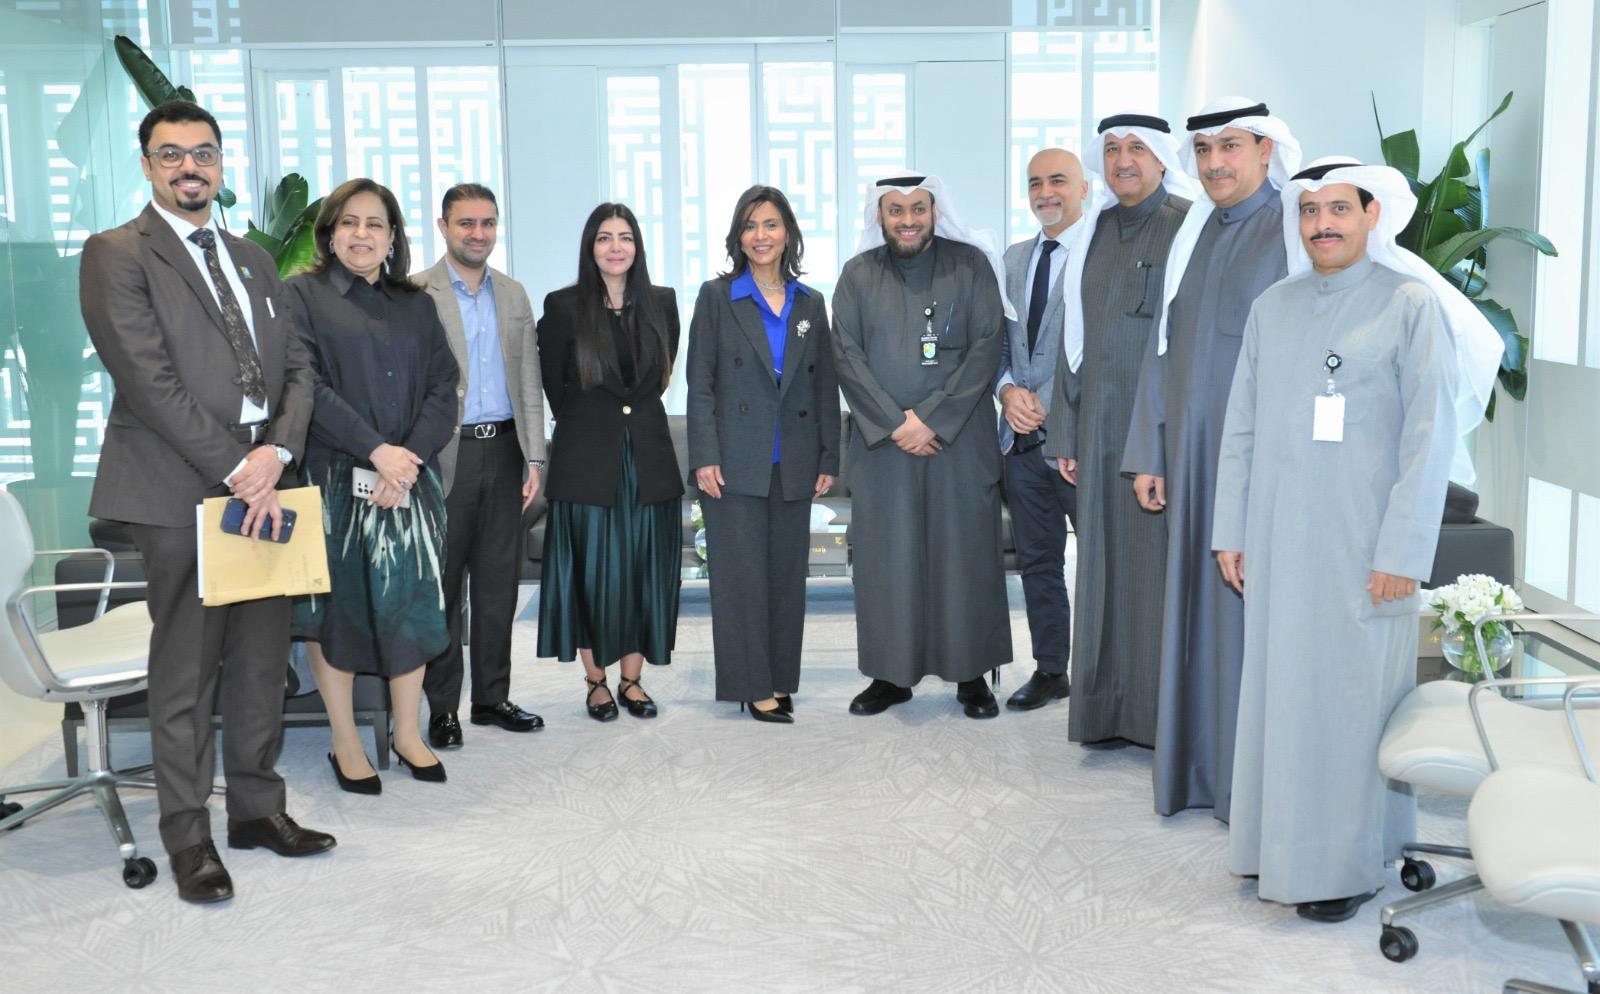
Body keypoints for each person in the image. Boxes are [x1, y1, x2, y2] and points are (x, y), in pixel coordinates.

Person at [1212, 157, 1502, 922]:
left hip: (1363, 551)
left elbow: (1429, 442)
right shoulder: (1274, 306)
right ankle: (1274, 847)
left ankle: (1343, 866)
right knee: (1281, 699)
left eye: (1339, 209)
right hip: (1277, 541)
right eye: (1310, 211)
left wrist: (1402, 555)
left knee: (1348, 706)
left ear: (1373, 215)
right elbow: (1241, 429)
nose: (1322, 225)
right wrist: (1231, 531)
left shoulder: (1409, 304)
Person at [79, 99, 334, 904]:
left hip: (264, 481)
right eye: (171, 154)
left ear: (220, 164)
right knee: (187, 671)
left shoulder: (253, 259)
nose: (190, 167)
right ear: (148, 165)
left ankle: (257, 809)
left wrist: (276, 455)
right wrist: (238, 469)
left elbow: (297, 369)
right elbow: (147, 381)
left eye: (204, 153)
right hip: (178, 488)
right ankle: (188, 837)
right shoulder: (117, 253)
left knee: (260, 660)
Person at [1120, 98, 1300, 820]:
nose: (1216, 162)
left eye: (1231, 146)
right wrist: (1150, 450)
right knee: (1194, 615)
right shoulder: (1196, 232)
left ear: (1266, 151)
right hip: (1191, 460)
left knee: (1244, 619)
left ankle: (1247, 786)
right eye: (1204, 150)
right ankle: (1197, 770)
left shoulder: (1292, 228)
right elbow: (1161, 349)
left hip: (1260, 463)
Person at [286, 178, 459, 793]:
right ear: (330, 233)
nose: (362, 234)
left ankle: (407, 734)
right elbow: (305, 386)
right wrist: (376, 451)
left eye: (375, 224)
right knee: (335, 612)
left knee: (412, 606)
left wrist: (405, 460)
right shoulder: (300, 296)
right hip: (334, 482)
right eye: (349, 222)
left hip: (410, 481)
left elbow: (444, 386)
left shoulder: (416, 305)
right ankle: (344, 741)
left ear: (392, 238)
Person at [831, 175, 1012, 719]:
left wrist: (931, 419)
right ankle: (891, 676)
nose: (907, 220)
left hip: (958, 442)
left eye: (917, 209)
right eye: (895, 210)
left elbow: (987, 347)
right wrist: (896, 424)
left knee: (964, 558)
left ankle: (971, 675)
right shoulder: (857, 274)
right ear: (879, 216)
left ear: (936, 211)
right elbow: (846, 355)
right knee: (889, 561)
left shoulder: (971, 265)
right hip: (884, 447)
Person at [1042, 113, 1194, 747]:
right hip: (1098, 435)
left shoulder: (1187, 224)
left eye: (1136, 148)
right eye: (1111, 149)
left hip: (1156, 437)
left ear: (1160, 159)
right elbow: (1072, 343)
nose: (1122, 159)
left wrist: (1162, 441)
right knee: (1100, 575)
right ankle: (1104, 713)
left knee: (1152, 577)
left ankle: (1156, 720)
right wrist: (1066, 433)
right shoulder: (1095, 230)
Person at [685, 186, 840, 723]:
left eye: (771, 224)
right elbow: (700, 383)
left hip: (794, 459)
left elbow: (824, 386)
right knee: (740, 579)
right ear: (738, 236)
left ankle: (777, 677)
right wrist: (704, 455)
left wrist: (828, 458)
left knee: (785, 579)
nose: (761, 236)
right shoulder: (717, 296)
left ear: (788, 233)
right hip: (733, 462)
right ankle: (750, 686)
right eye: (750, 226)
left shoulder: (810, 302)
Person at [536, 203, 682, 721]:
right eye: (604, 237)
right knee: (591, 575)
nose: (615, 247)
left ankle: (632, 681)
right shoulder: (562, 306)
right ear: (590, 247)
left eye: (625, 237)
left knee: (645, 571)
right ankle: (596, 681)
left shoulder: (662, 302)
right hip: (586, 459)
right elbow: (556, 388)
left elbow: (660, 377)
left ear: (637, 246)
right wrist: (596, 423)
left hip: (648, 458)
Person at [416, 183, 546, 750]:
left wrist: (535, 456)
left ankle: (492, 699)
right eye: (466, 223)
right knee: (444, 587)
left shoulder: (514, 294)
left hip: (506, 451)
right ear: (443, 226)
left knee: (497, 586)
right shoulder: (416, 292)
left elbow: (529, 382)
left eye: (487, 223)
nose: (478, 233)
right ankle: (443, 707)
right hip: (448, 454)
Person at [996, 148, 1088, 712]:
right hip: (1021, 445)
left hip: (1081, 445)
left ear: (1083, 189)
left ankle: (1107, 676)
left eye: (1058, 180)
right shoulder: (1012, 259)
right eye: (1035, 183)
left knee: (1102, 566)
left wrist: (1052, 408)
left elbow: (1105, 352)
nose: (1046, 192)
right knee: (1039, 564)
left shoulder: (1100, 254)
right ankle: (1052, 669)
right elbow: (998, 346)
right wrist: (1008, 392)